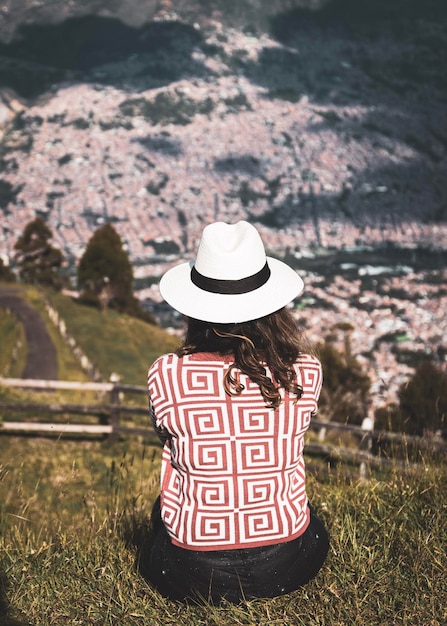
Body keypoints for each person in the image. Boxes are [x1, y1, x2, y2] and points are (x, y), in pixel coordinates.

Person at [146, 221, 329, 604]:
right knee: (316, 524)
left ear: (195, 307)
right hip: (286, 562)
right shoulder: (304, 371)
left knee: (157, 514)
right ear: (272, 306)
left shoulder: (167, 374)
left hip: (196, 573)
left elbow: (168, 439)